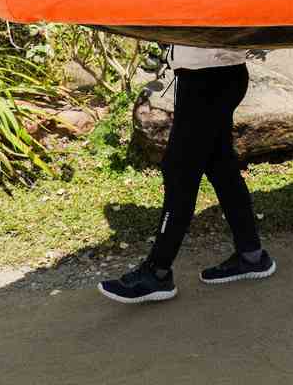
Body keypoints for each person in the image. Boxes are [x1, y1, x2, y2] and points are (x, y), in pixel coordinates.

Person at [98, 46, 274, 304]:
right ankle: (252, 255)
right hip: (215, 75)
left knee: (180, 171)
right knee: (220, 165)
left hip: (207, 79)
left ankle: (157, 272)